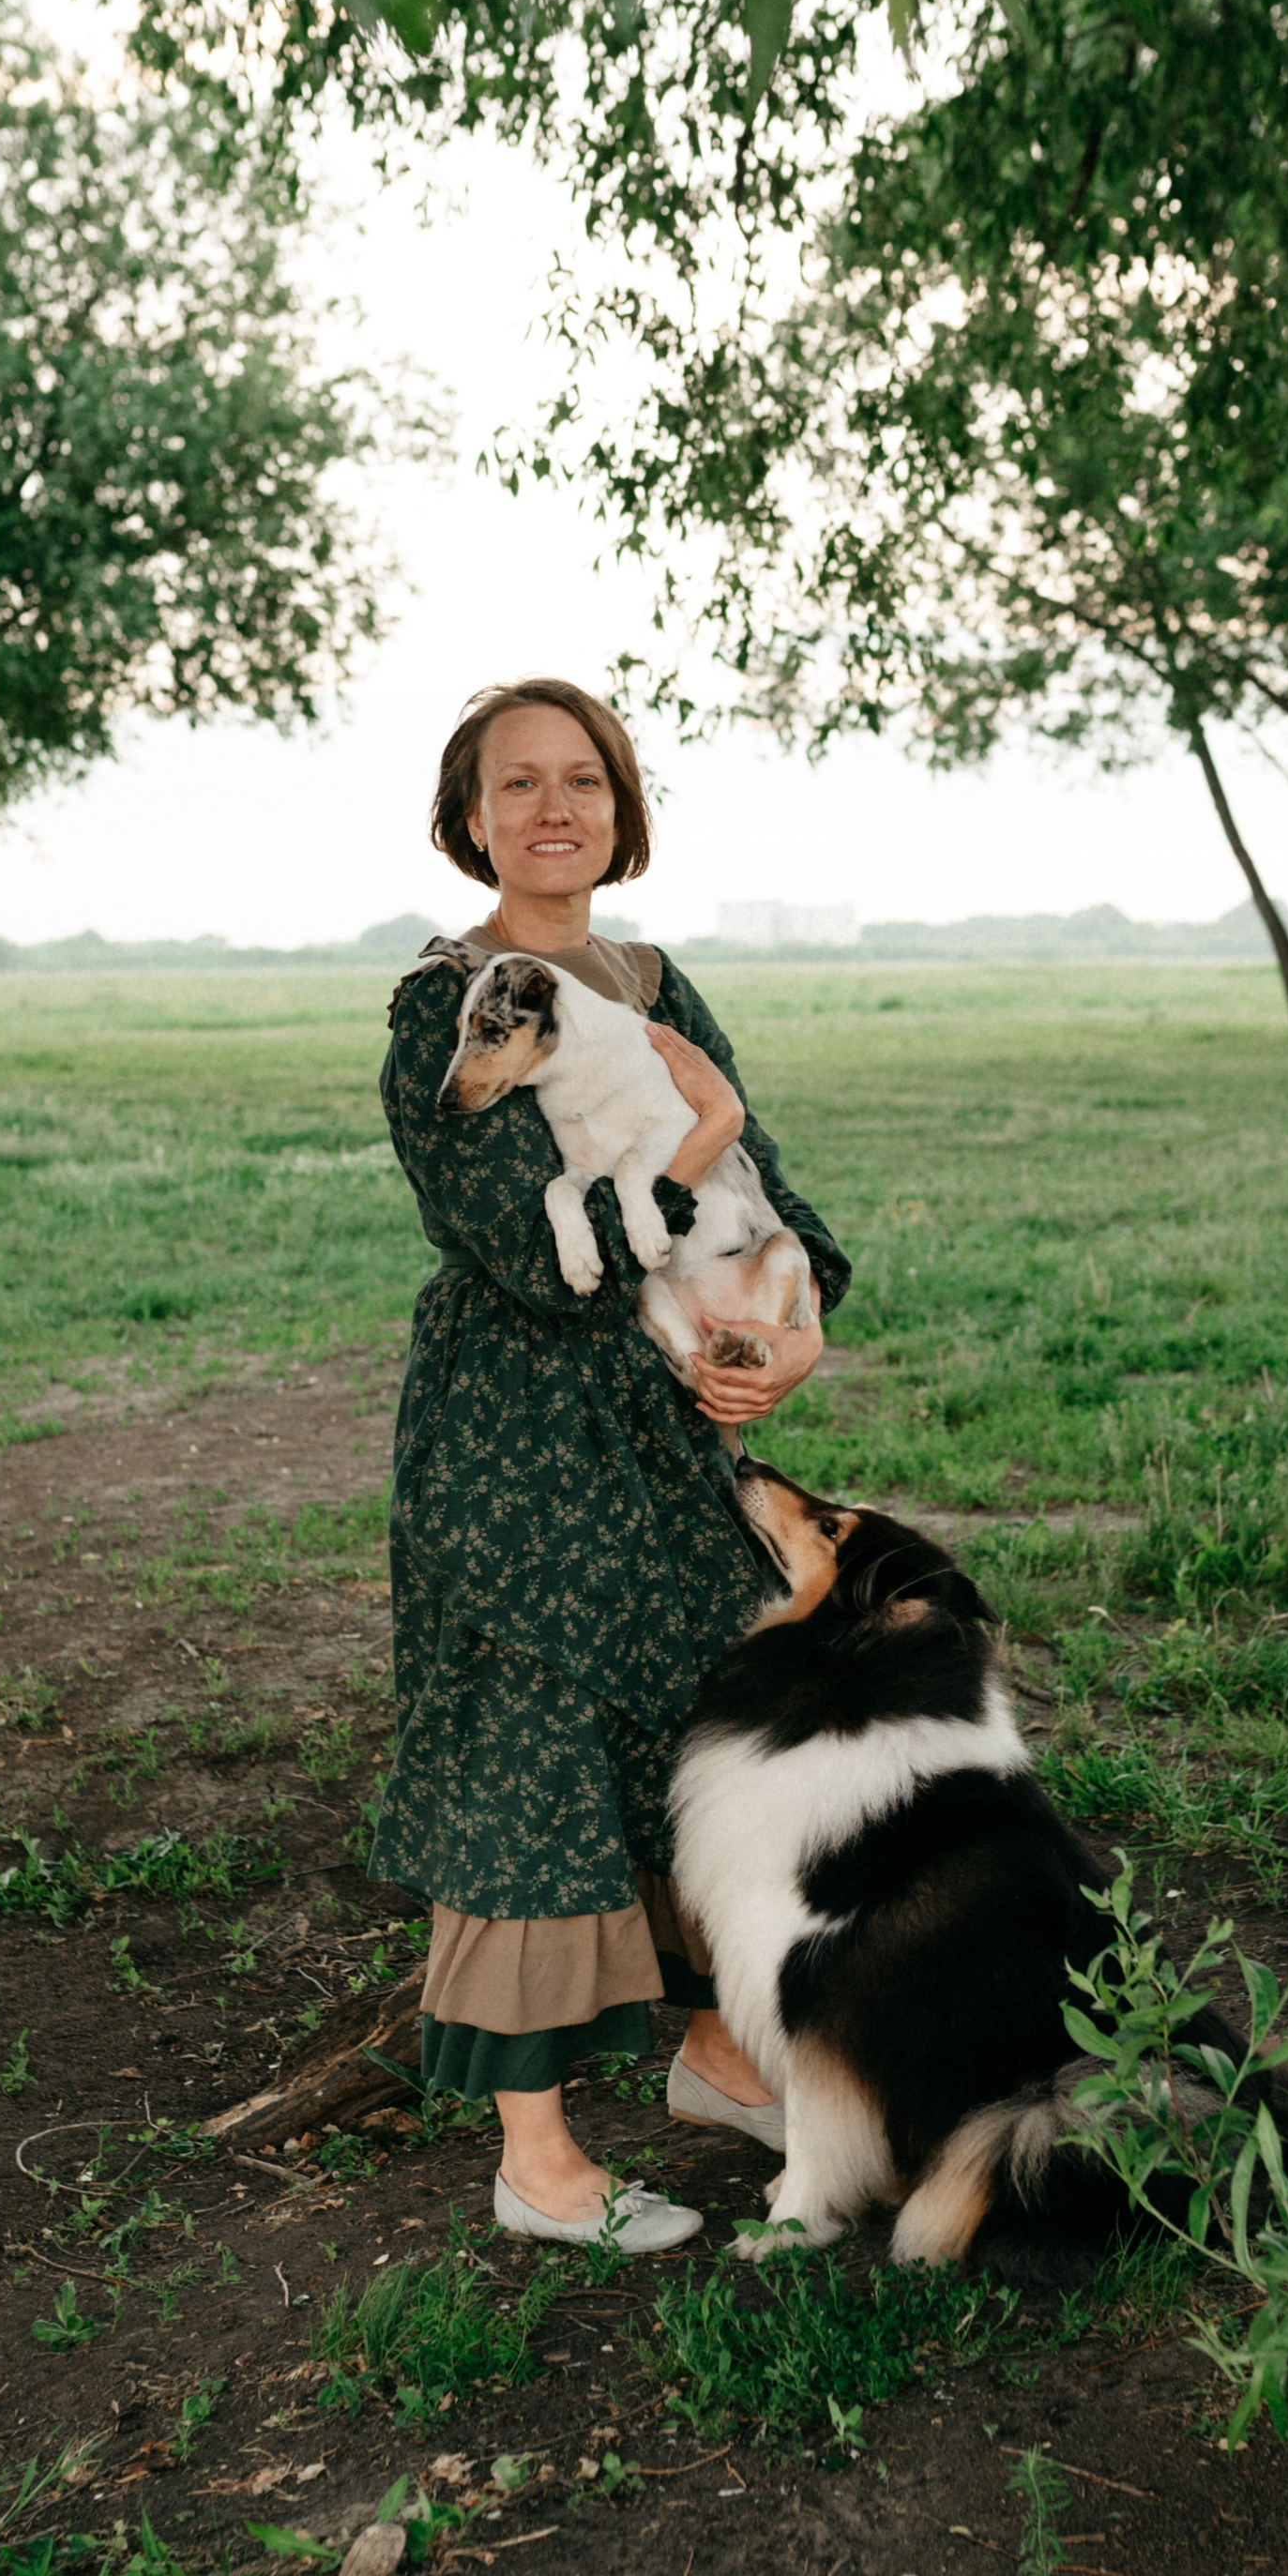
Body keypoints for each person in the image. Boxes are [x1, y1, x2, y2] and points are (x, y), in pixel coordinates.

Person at [374, 677, 850, 2247]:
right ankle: (541, 2163)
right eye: (519, 785)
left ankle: (722, 2056)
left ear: (621, 812)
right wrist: (702, 1139)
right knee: (537, 1754)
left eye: (585, 780)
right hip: (515, 1442)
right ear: (470, 820)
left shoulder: (649, 979)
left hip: (662, 1442)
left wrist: (798, 1329)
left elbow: (761, 1188)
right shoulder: (450, 1003)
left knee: (708, 1733)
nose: (555, 808)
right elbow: (536, 1245)